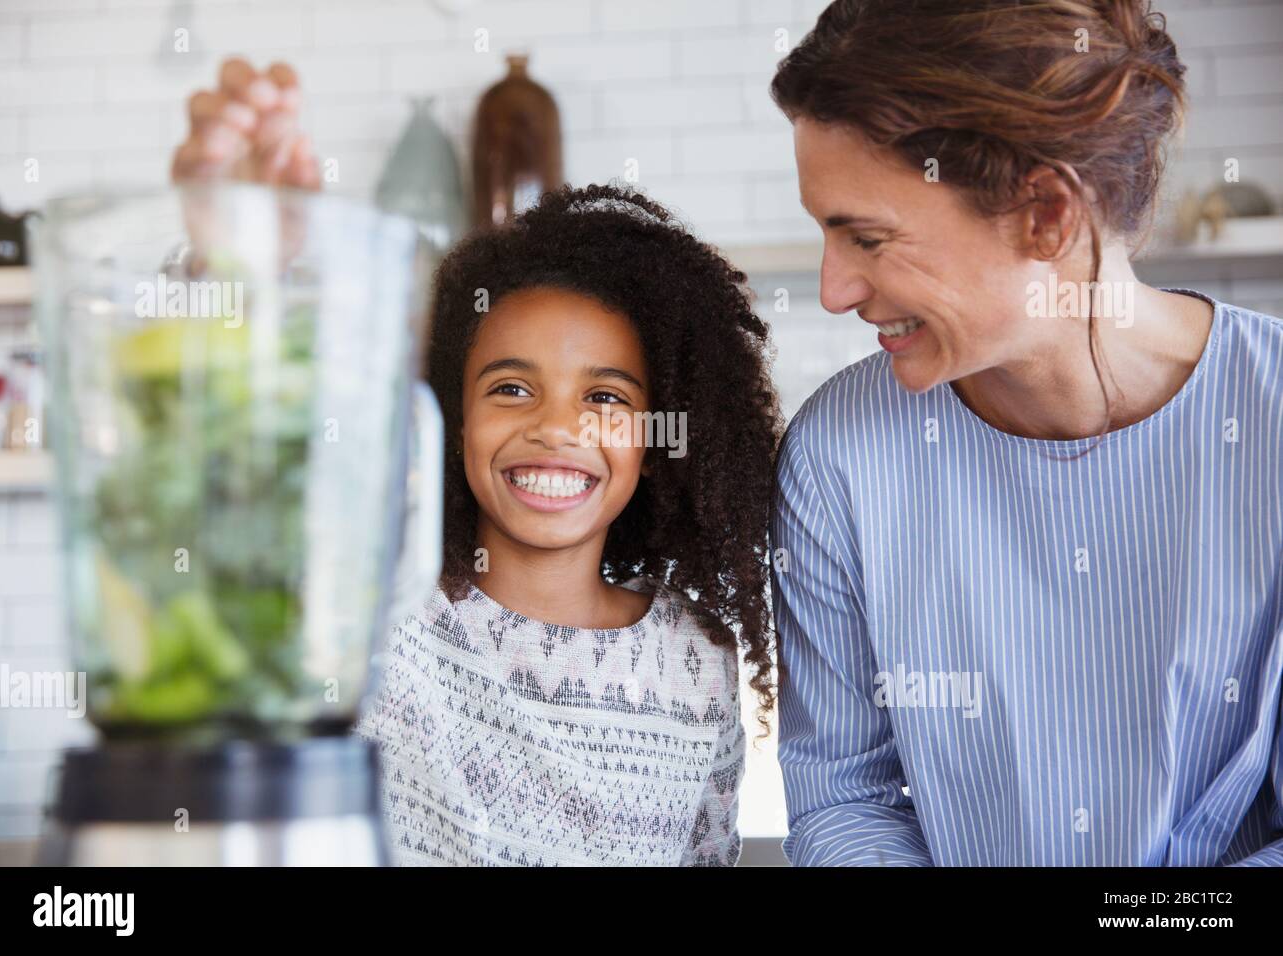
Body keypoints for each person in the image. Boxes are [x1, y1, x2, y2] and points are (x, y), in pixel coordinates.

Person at [171, 62, 782, 865]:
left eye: (605, 398)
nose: (557, 428)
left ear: (661, 436)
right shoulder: (377, 616)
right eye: (511, 387)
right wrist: (237, 267)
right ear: (451, 422)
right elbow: (237, 460)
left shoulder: (699, 661)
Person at [769, 0, 1283, 865]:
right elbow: (845, 798)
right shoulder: (839, 456)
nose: (833, 289)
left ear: (1044, 213)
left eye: (866, 237)